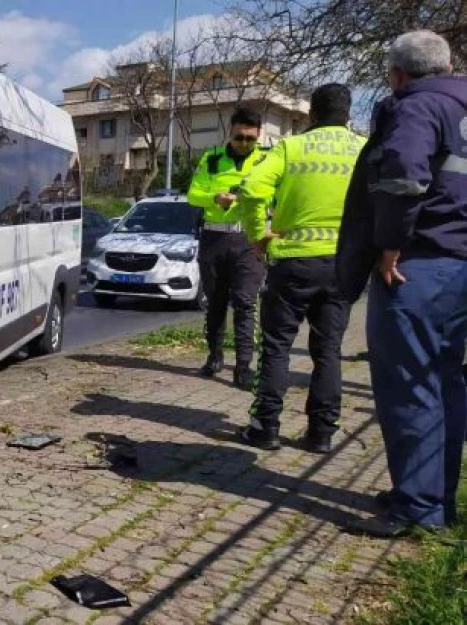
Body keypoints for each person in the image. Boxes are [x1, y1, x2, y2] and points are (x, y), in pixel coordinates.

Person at [335, 30, 467, 538]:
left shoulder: (415, 107)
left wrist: (389, 246)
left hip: (419, 265)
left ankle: (417, 507)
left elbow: (404, 179)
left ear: (397, 74)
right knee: (446, 381)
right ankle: (438, 495)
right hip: (460, 264)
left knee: (409, 386)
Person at [234, 84, 366, 453]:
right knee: (329, 352)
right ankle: (321, 433)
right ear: (348, 114)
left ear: (312, 114)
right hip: (343, 264)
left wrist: (258, 235)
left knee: (276, 347)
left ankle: (265, 428)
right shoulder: (364, 149)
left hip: (292, 263)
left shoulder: (291, 147)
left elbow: (252, 189)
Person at [187, 108, 269, 389]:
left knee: (246, 303)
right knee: (216, 303)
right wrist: (214, 198)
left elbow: (278, 196)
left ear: (258, 136)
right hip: (214, 239)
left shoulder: (265, 161)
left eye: (250, 139)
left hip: (248, 240)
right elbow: (192, 195)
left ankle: (244, 366)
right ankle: (215, 355)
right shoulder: (211, 160)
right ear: (230, 132)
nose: (244, 143)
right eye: (239, 137)